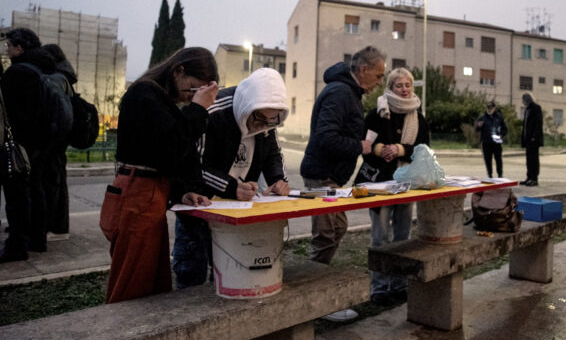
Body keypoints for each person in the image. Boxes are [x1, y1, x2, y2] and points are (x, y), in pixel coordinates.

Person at [99, 47, 218, 303]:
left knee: (154, 285)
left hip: (149, 193)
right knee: (132, 288)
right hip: (138, 195)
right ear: (178, 71)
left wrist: (182, 192)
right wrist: (197, 110)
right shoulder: (144, 95)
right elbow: (172, 147)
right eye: (192, 89)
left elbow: (163, 157)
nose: (191, 98)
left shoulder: (157, 99)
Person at [172, 68, 290, 289]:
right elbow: (194, 166)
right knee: (192, 274)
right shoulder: (213, 111)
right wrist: (232, 187)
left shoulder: (267, 117)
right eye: (260, 118)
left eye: (271, 120)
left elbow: (273, 153)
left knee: (231, 272)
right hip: (199, 207)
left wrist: (278, 180)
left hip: (236, 212)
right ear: (247, 107)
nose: (264, 125)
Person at [300, 45, 385, 322]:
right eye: (379, 75)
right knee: (327, 233)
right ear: (363, 70)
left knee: (337, 227)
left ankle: (312, 292)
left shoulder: (349, 92)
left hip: (330, 176)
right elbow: (325, 137)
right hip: (321, 174)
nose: (380, 81)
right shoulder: (340, 93)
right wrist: (358, 146)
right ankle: (308, 298)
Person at [354, 68, 429, 306]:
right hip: (380, 183)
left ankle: (399, 285)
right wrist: (379, 150)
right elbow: (363, 144)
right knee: (380, 237)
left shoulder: (419, 116)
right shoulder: (377, 113)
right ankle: (379, 288)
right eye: (399, 85)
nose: (404, 89)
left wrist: (401, 149)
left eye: (408, 85)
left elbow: (425, 149)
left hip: (406, 184)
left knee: (403, 236)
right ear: (390, 87)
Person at [0, 28, 59, 262]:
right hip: (42, 143)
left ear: (20, 48)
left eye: (10, 46)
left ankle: (17, 245)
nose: (7, 50)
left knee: (16, 195)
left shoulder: (17, 73)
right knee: (36, 189)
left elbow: (12, 113)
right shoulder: (45, 70)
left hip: (19, 143)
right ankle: (37, 239)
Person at [41, 44, 77, 242]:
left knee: (53, 183)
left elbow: (62, 113)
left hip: (54, 140)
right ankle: (58, 225)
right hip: (59, 140)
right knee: (57, 183)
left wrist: (53, 135)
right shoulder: (64, 77)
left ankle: (55, 226)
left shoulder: (55, 79)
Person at [475, 101, 507, 178]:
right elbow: (476, 129)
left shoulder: (499, 118)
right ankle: (489, 175)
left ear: (494, 108)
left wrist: (502, 135)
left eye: (491, 108)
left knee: (498, 159)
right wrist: (478, 126)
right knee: (488, 160)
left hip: (497, 142)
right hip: (486, 142)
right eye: (488, 108)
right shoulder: (482, 118)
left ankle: (500, 175)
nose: (489, 110)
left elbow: (505, 129)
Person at [521, 92, 543, 186]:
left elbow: (538, 123)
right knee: (529, 159)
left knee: (534, 159)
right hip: (528, 139)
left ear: (527, 99)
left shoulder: (536, 108)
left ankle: (534, 178)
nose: (522, 102)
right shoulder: (527, 109)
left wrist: (534, 136)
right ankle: (529, 177)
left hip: (534, 139)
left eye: (523, 100)